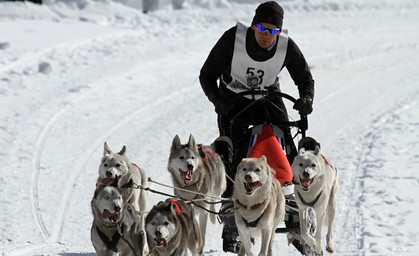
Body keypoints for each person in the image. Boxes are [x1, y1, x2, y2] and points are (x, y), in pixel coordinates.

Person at [199, 1, 315, 253]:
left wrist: (306, 99)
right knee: (232, 154)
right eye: (262, 28)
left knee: (287, 140)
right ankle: (233, 207)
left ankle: (295, 199)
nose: (267, 34)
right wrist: (218, 102)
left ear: (279, 32)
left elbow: (305, 78)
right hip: (232, 99)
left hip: (268, 97)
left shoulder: (286, 47)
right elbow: (206, 75)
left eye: (273, 30)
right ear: (253, 26)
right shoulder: (232, 39)